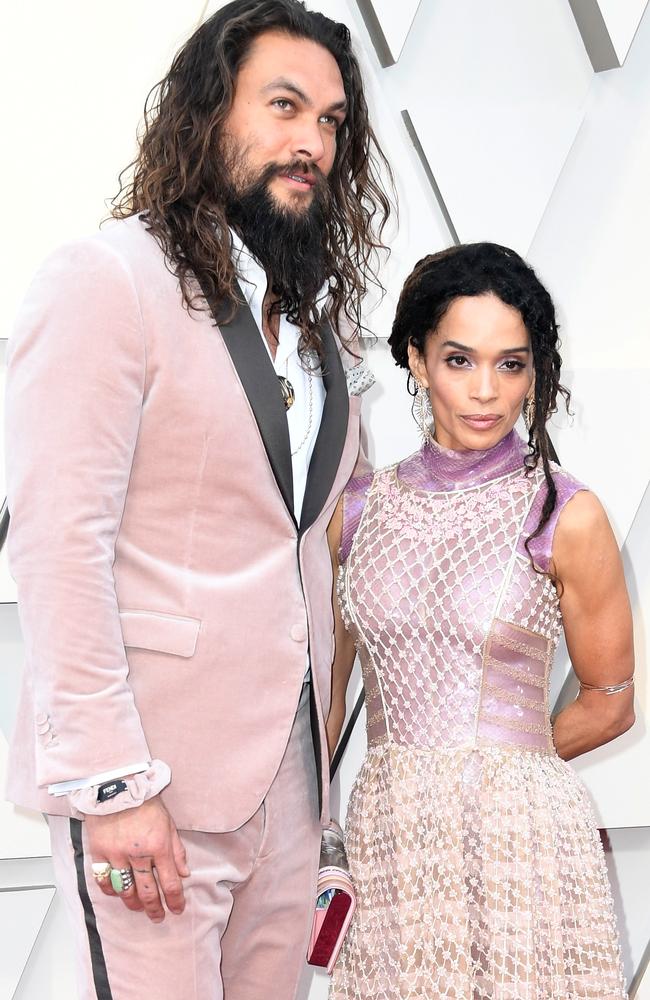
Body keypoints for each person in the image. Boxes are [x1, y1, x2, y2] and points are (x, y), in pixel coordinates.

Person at [4, 2, 391, 998]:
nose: (311, 141)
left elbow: (316, 541)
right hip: (154, 786)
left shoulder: (318, 339)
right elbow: (57, 544)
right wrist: (111, 785)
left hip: (290, 793)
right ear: (209, 114)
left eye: (333, 122)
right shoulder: (107, 281)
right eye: (284, 106)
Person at [326, 243, 634, 999]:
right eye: (460, 360)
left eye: (512, 364)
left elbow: (611, 702)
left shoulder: (567, 512)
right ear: (415, 358)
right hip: (390, 834)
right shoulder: (357, 511)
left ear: (535, 374)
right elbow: (325, 703)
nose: (487, 392)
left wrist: (504, 767)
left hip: (522, 841)